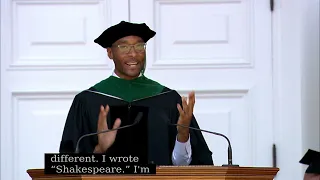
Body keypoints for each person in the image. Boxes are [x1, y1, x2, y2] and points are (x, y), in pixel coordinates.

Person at [59, 21, 213, 166]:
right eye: (124, 47)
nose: (133, 54)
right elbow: (68, 166)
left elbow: (185, 168)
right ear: (110, 52)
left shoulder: (168, 99)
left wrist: (183, 136)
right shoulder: (87, 101)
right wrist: (99, 150)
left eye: (139, 46)